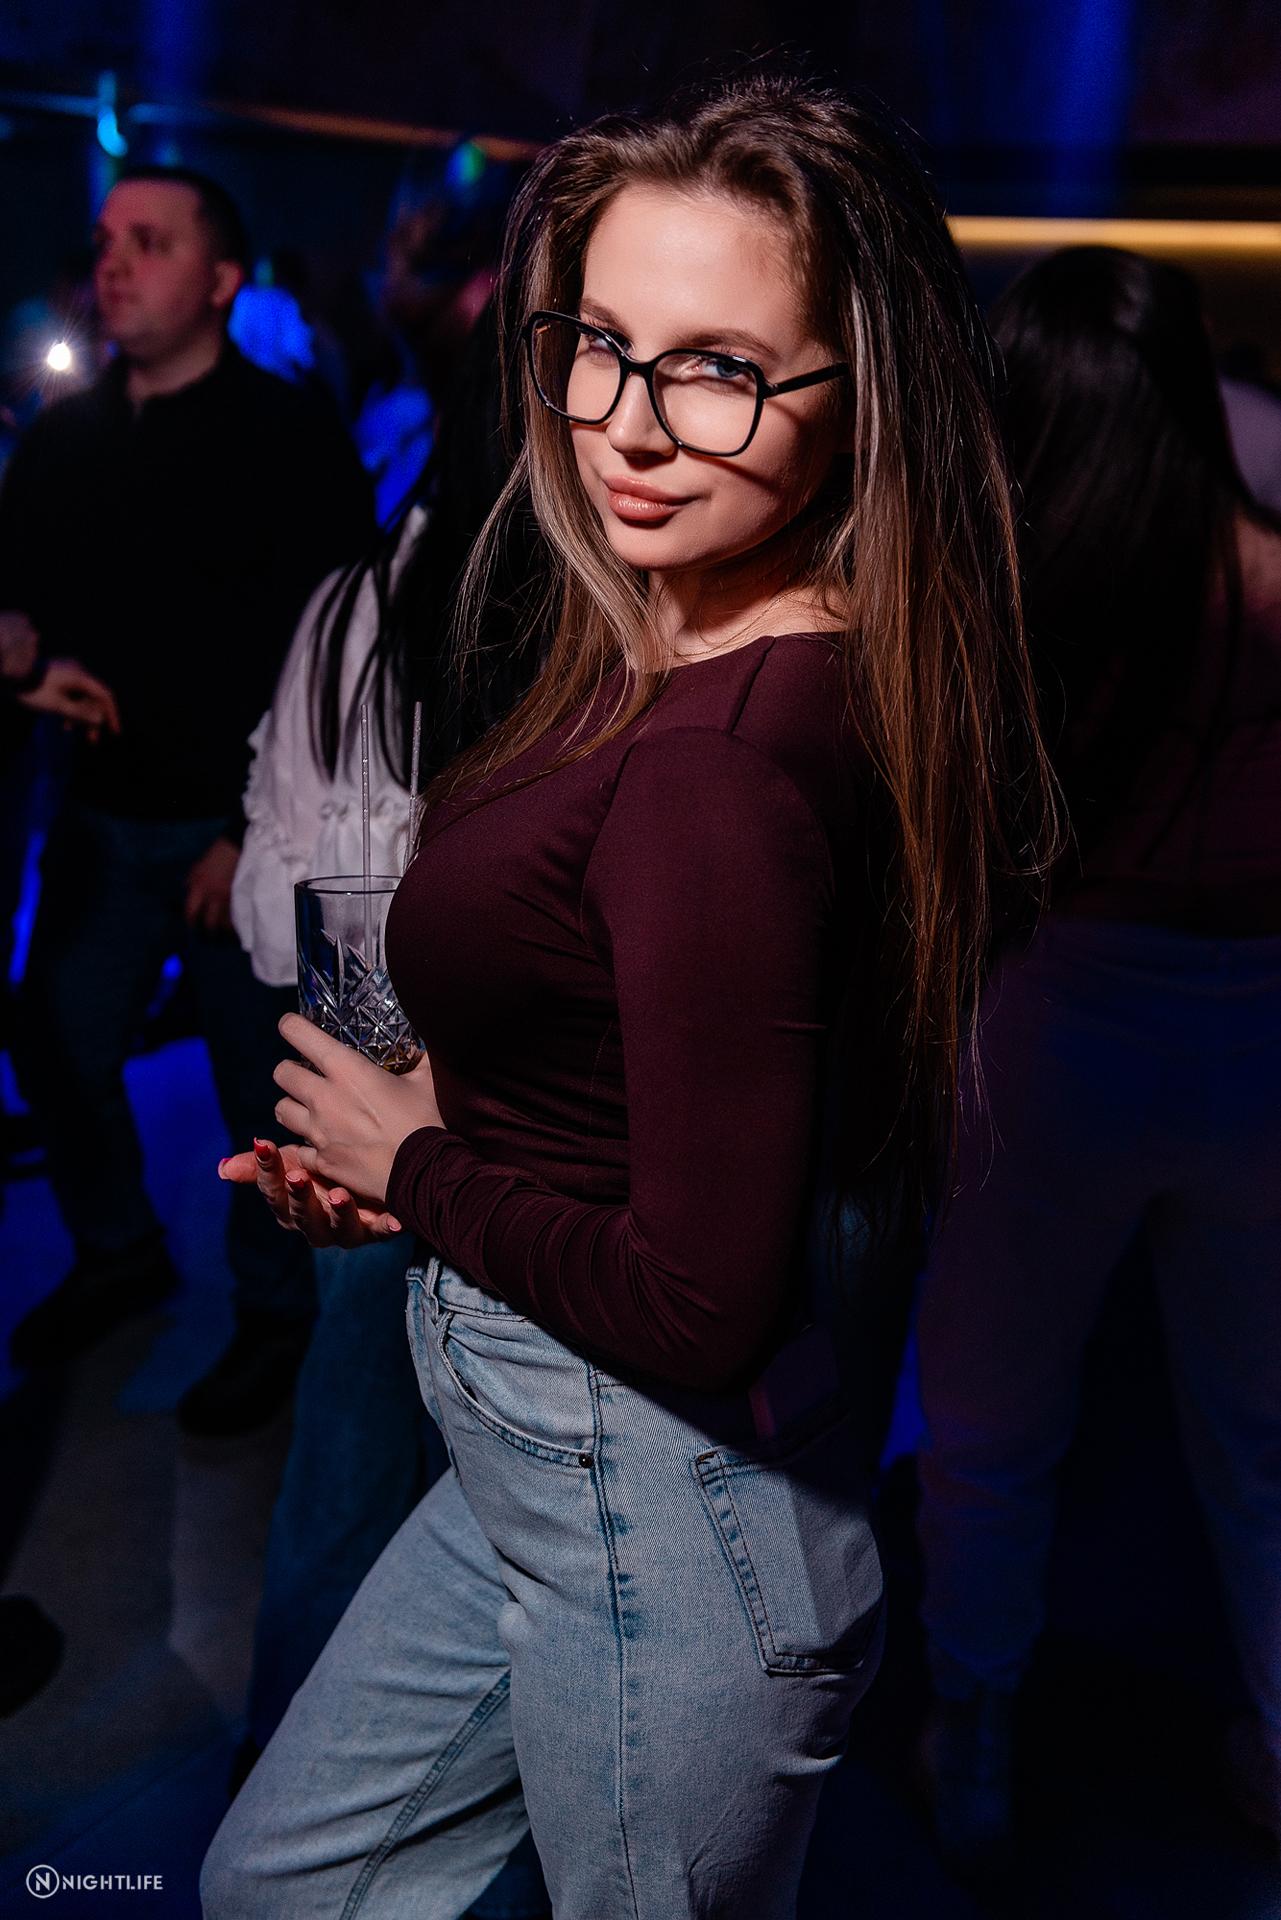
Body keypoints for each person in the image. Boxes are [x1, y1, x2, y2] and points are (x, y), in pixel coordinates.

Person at [202, 72, 1055, 1919]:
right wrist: (446, 1143)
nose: (629, 426)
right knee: (277, 1886)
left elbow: (701, 1298)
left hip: (661, 1509)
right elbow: (654, 1052)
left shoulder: (718, 762)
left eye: (719, 368)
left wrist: (418, 1166)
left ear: (858, 397)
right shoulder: (693, 643)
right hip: (548, 1473)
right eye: (598, 343)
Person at [914, 247, 1281, 1871]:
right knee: (1261, 1433)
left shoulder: (1018, 595)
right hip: (1262, 1022)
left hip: (1063, 1020)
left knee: (991, 1424)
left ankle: (974, 1743)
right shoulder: (1265, 577)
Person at [229, 302, 550, 1917]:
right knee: (483, 1517)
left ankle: (298, 1797)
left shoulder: (354, 605)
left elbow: (266, 900)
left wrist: (359, 1006)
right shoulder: (608, 632)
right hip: (513, 1145)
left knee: (353, 1483)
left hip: (379, 1123)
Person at [2, 165, 375, 1434]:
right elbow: (21, 595)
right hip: (102, 819)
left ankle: (272, 1315)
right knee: (56, 1043)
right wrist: (21, 651)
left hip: (243, 835)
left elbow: (337, 655)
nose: (114, 263)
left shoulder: (289, 436)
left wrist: (243, 834)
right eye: (107, 239)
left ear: (220, 280)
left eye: (150, 243)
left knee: (262, 1099)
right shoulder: (64, 437)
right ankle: (118, 1249)